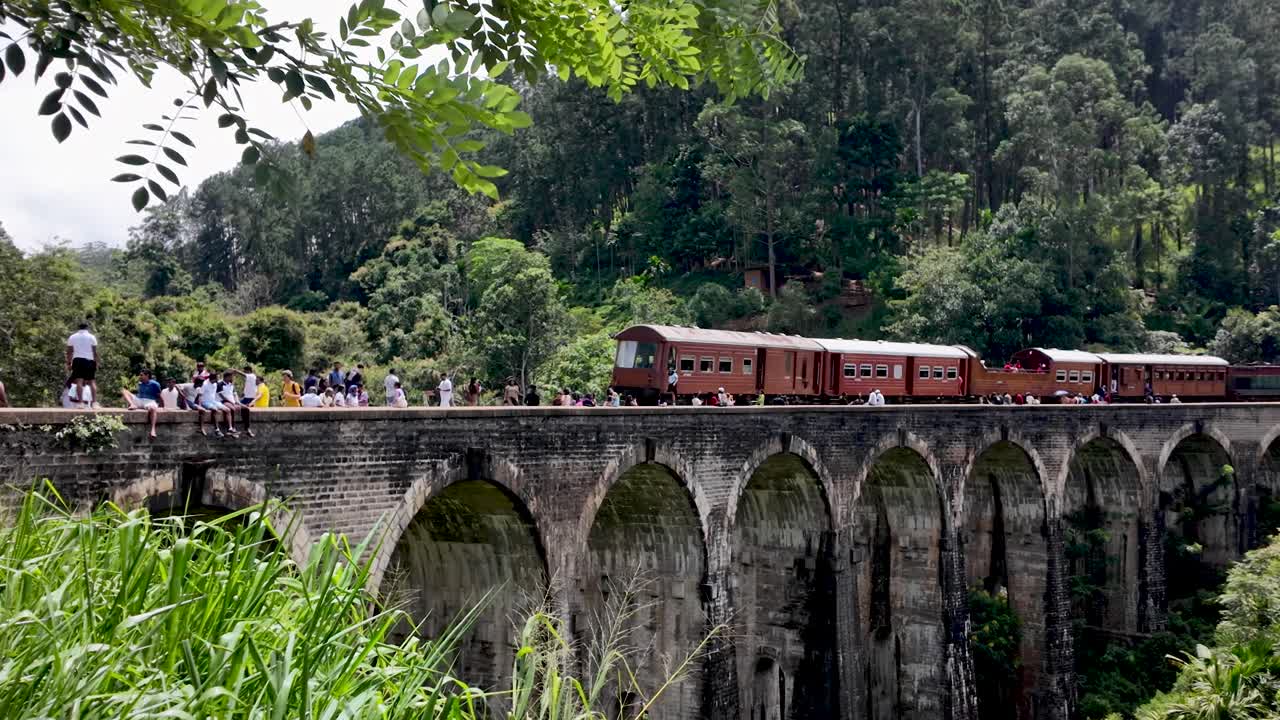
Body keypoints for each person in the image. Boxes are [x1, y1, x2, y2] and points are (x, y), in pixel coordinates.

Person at [66, 322, 100, 408]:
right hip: (89, 360)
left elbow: (69, 352)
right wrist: (96, 363)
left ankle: (80, 402)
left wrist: (69, 363)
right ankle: (94, 403)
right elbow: (95, 352)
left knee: (79, 381)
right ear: (87, 328)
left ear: (79, 328)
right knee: (92, 381)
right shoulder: (92, 337)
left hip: (77, 360)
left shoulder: (73, 337)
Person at [121, 369, 163, 438]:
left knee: (153, 408)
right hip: (140, 400)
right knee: (124, 391)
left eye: (141, 375)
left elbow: (160, 395)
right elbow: (139, 394)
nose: (139, 376)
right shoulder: (140, 384)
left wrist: (162, 406)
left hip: (149, 401)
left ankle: (153, 430)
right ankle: (132, 404)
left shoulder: (155, 384)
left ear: (147, 375)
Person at [219, 370, 254, 437]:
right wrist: (231, 402)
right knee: (232, 409)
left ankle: (247, 428)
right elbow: (222, 396)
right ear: (227, 377)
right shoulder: (220, 384)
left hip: (233, 402)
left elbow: (235, 395)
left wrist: (239, 403)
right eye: (231, 377)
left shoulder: (231, 384)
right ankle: (232, 428)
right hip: (224, 401)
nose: (232, 378)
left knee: (246, 409)